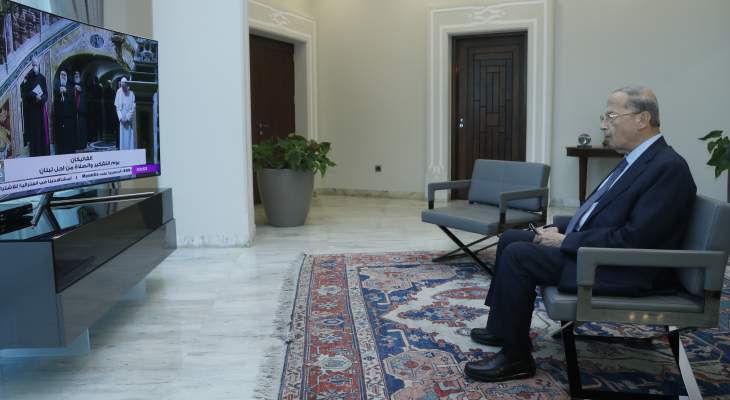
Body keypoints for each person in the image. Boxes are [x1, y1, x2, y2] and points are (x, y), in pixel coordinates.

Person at [464, 86, 697, 382]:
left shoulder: (668, 168)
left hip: (624, 269)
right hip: (601, 254)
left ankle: (516, 357)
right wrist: (563, 226)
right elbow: (604, 213)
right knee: (511, 237)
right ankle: (501, 328)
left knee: (519, 255)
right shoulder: (637, 160)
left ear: (642, 119)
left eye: (611, 116)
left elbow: (636, 240)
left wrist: (567, 240)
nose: (603, 124)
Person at [20, 57, 50, 156]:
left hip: (41, 109)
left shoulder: (42, 78)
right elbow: (25, 93)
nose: (35, 67)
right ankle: (35, 154)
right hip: (32, 111)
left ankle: (43, 153)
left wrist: (41, 98)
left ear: (39, 64)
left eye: (36, 65)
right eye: (33, 65)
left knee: (42, 132)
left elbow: (46, 94)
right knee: (34, 133)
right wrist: (34, 95)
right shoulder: (28, 78)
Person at [53, 70, 77, 155]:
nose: (63, 76)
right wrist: (59, 92)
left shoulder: (70, 86)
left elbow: (73, 100)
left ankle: (70, 152)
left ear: (66, 76)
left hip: (69, 117)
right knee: (61, 137)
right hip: (60, 117)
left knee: (69, 136)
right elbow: (55, 101)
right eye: (61, 75)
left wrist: (66, 91)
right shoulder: (57, 86)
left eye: (64, 75)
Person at [114, 77, 136, 150]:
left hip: (129, 119)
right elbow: (117, 107)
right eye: (122, 87)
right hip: (122, 120)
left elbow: (133, 107)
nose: (123, 89)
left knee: (130, 137)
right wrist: (120, 118)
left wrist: (127, 117)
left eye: (124, 87)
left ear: (127, 85)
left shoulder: (132, 93)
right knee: (122, 138)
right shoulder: (118, 91)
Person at [72, 71, 89, 152]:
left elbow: (86, 96)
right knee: (75, 129)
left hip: (82, 111)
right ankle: (76, 145)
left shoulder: (82, 84)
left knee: (82, 129)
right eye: (75, 74)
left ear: (79, 76)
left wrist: (80, 90)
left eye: (77, 74)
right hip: (74, 112)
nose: (76, 75)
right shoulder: (72, 84)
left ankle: (82, 145)